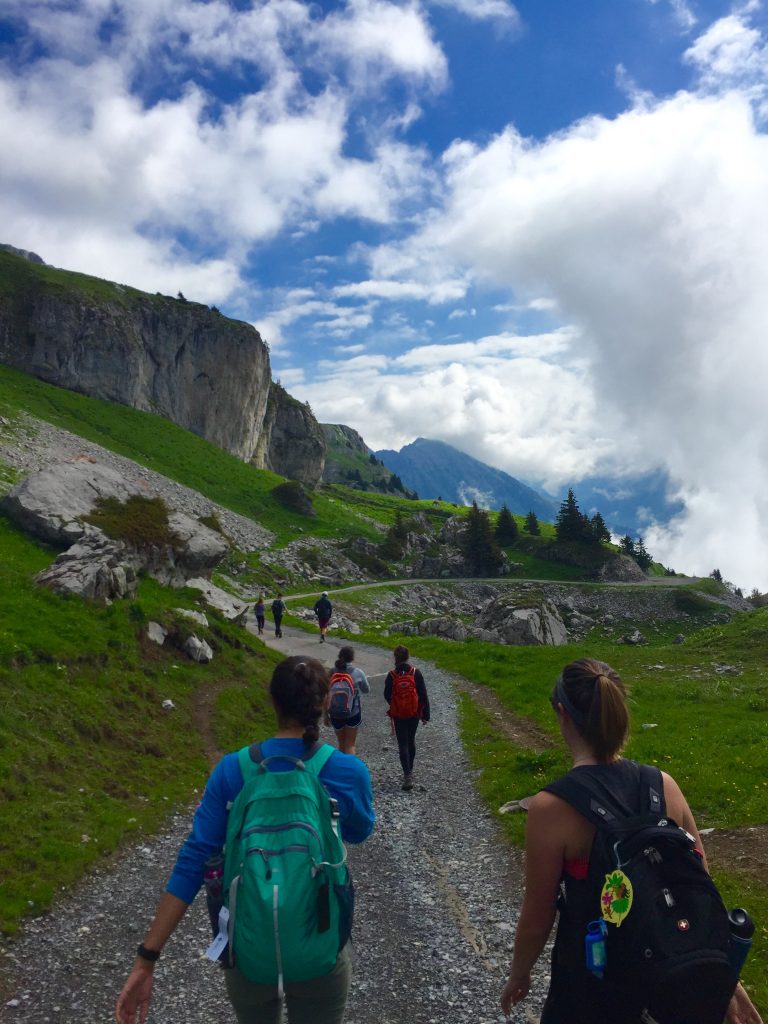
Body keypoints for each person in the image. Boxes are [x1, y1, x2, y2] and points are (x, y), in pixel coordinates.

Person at [500, 657, 763, 1024]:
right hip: (667, 982)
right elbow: (697, 886)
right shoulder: (664, 784)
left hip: (591, 985)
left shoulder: (551, 807)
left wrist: (519, 973)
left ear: (562, 714)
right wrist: (726, 981)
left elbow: (537, 917)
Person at [115, 656, 375, 1024]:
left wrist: (147, 959)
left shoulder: (232, 770)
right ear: (325, 703)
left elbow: (193, 861)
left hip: (247, 953)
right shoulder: (349, 771)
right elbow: (361, 830)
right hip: (320, 948)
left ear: (272, 701)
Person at [384, 645, 429, 791]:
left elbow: (386, 694)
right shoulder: (416, 672)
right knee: (411, 740)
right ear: (408, 657)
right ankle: (411, 769)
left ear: (395, 658)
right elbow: (423, 695)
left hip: (398, 714)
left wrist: (396, 704)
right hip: (414, 713)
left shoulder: (391, 675)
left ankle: (407, 774)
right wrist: (425, 714)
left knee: (402, 743)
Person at [326, 646, 370, 756]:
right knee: (350, 744)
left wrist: (325, 716)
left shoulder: (331, 673)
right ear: (352, 658)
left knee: (341, 744)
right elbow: (366, 690)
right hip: (353, 712)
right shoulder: (358, 672)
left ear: (340, 656)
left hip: (335, 713)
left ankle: (341, 769)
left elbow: (325, 695)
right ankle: (350, 770)